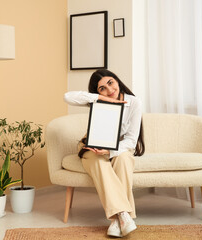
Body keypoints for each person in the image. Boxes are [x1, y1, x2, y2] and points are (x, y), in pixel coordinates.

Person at [64, 69, 145, 237]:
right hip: (91, 145)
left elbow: (130, 140)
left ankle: (116, 221)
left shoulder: (134, 103)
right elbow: (67, 97)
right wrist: (99, 98)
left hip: (120, 146)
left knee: (123, 160)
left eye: (110, 83)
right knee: (99, 162)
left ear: (117, 81)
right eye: (102, 88)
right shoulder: (98, 100)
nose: (109, 90)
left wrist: (110, 151)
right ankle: (124, 215)